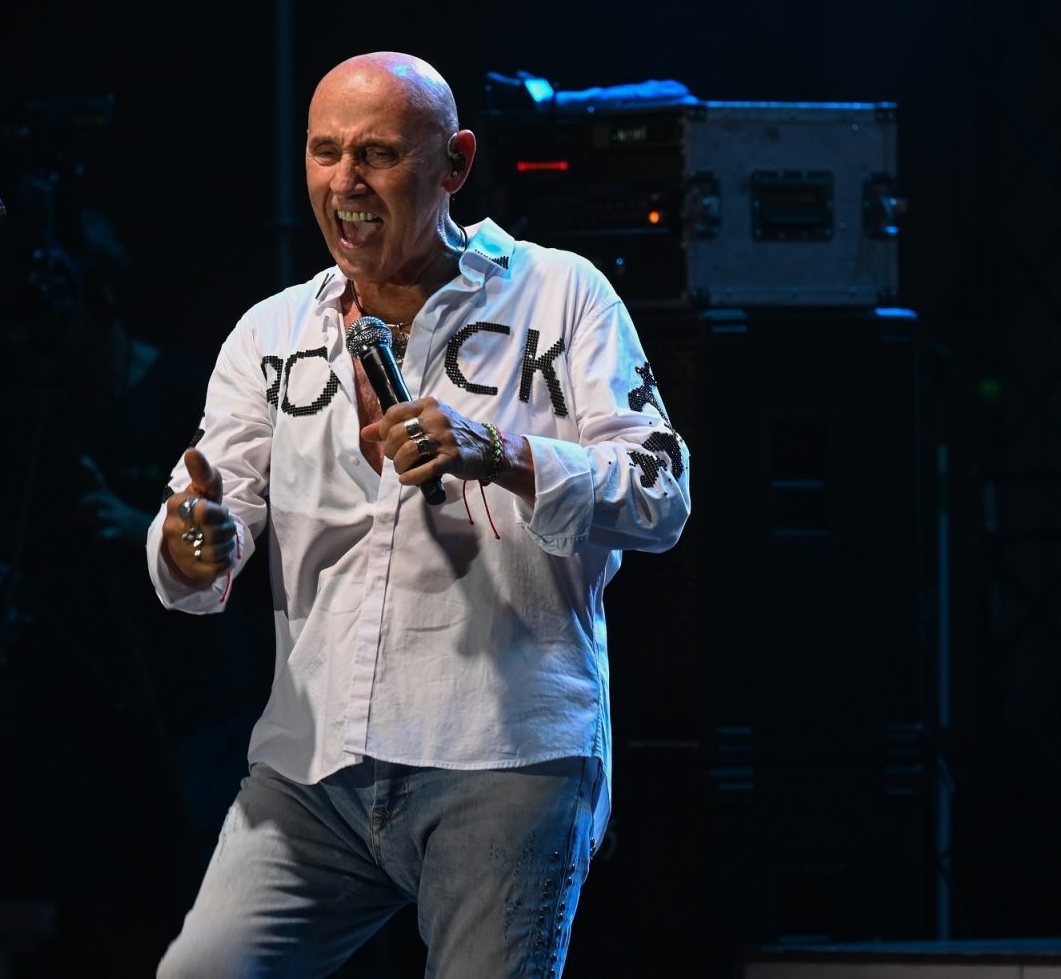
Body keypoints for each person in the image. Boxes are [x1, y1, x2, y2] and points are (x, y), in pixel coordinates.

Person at [144, 51, 691, 978]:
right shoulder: (272, 332)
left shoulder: (560, 294)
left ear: (455, 163)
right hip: (313, 768)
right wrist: (193, 544)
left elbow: (661, 491)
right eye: (325, 152)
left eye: (378, 154)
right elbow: (200, 530)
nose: (345, 181)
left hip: (503, 755)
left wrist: (502, 452)